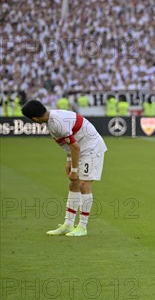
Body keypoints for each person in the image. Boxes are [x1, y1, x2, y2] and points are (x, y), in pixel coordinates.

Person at [21, 100, 108, 237]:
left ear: (34, 119)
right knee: (73, 183)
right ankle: (68, 224)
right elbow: (69, 145)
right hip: (80, 148)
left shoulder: (56, 123)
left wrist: (74, 170)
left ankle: (82, 227)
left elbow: (75, 147)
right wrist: (69, 161)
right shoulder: (50, 121)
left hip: (91, 148)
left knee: (84, 185)